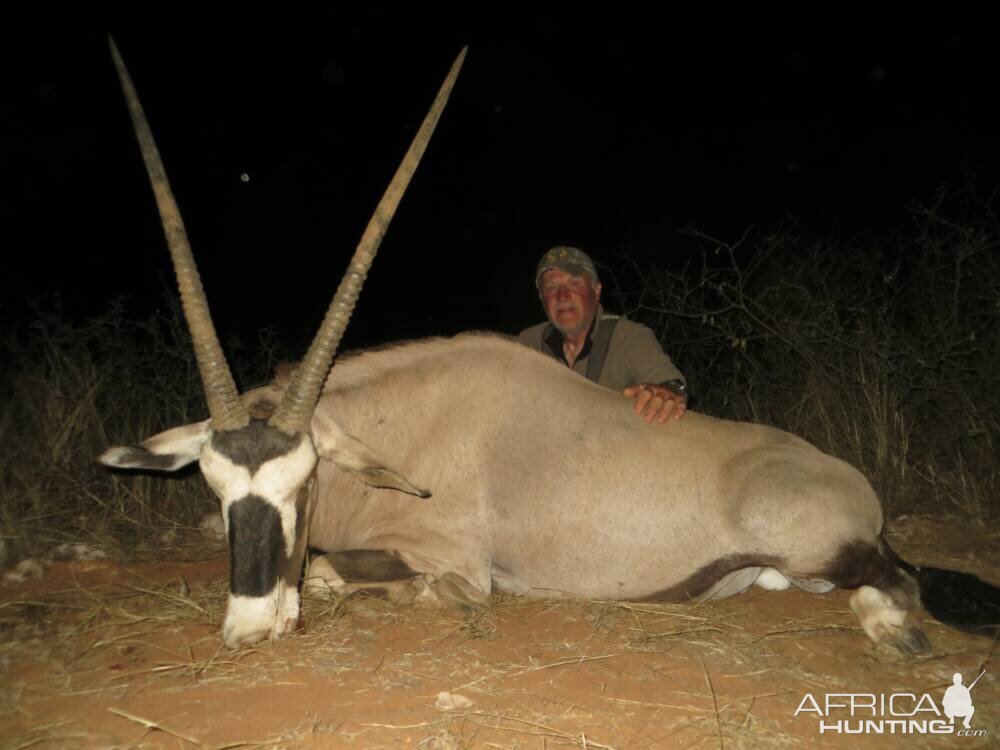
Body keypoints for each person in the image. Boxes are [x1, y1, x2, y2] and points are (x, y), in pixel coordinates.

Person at [518, 246, 688, 424]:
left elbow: (669, 382)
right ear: (541, 298)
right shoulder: (528, 343)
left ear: (596, 291)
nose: (562, 296)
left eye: (574, 283)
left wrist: (670, 390)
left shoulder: (629, 337)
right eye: (551, 288)